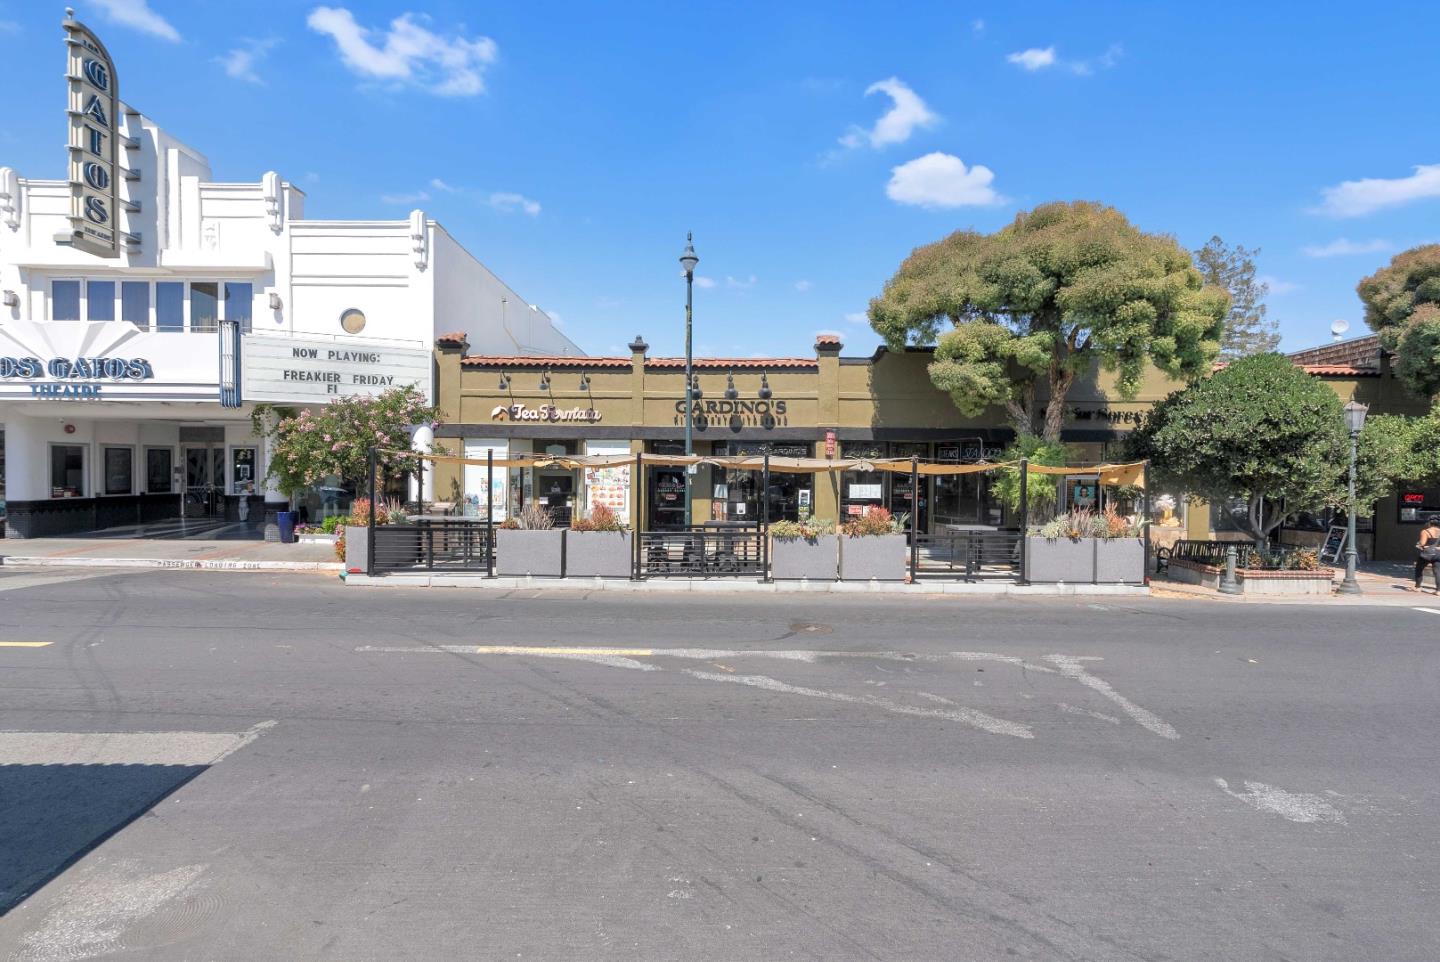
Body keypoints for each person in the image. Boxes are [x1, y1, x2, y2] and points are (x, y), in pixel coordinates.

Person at [1413, 519, 1440, 591]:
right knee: (1437, 571)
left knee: (1419, 568)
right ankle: (1438, 591)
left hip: (1427, 554)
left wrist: (1418, 545)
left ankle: (1417, 587)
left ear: (1429, 523)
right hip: (1438, 553)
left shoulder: (1425, 531)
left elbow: (1422, 543)